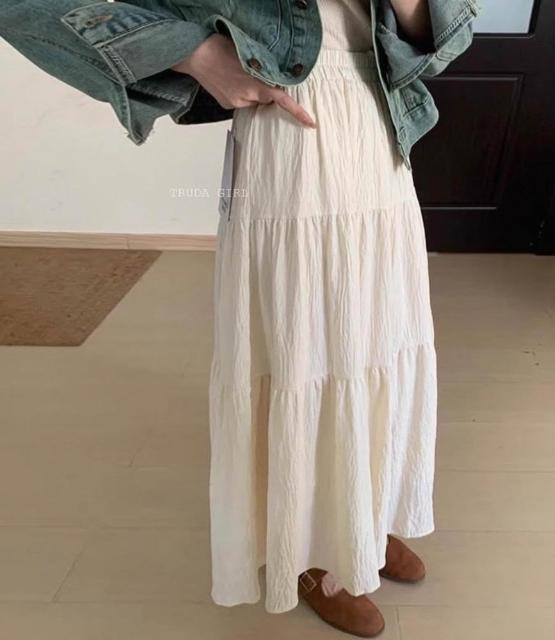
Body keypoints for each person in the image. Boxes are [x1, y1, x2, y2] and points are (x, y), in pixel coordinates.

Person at [1, 1, 478, 636]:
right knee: (304, 347)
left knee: (378, 335)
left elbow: (441, 36)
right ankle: (310, 546)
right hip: (289, 132)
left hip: (382, 128)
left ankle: (362, 518)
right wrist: (193, 53)